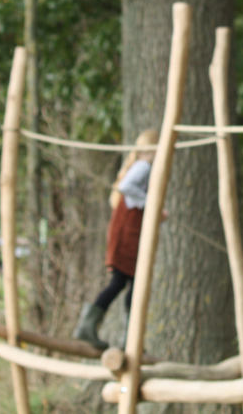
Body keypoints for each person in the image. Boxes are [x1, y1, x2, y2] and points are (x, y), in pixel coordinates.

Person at [73, 128, 159, 350]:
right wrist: (152, 202)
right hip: (127, 236)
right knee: (121, 282)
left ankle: (130, 339)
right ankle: (89, 327)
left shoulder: (142, 167)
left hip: (129, 234)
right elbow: (126, 187)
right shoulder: (143, 166)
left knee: (132, 285)